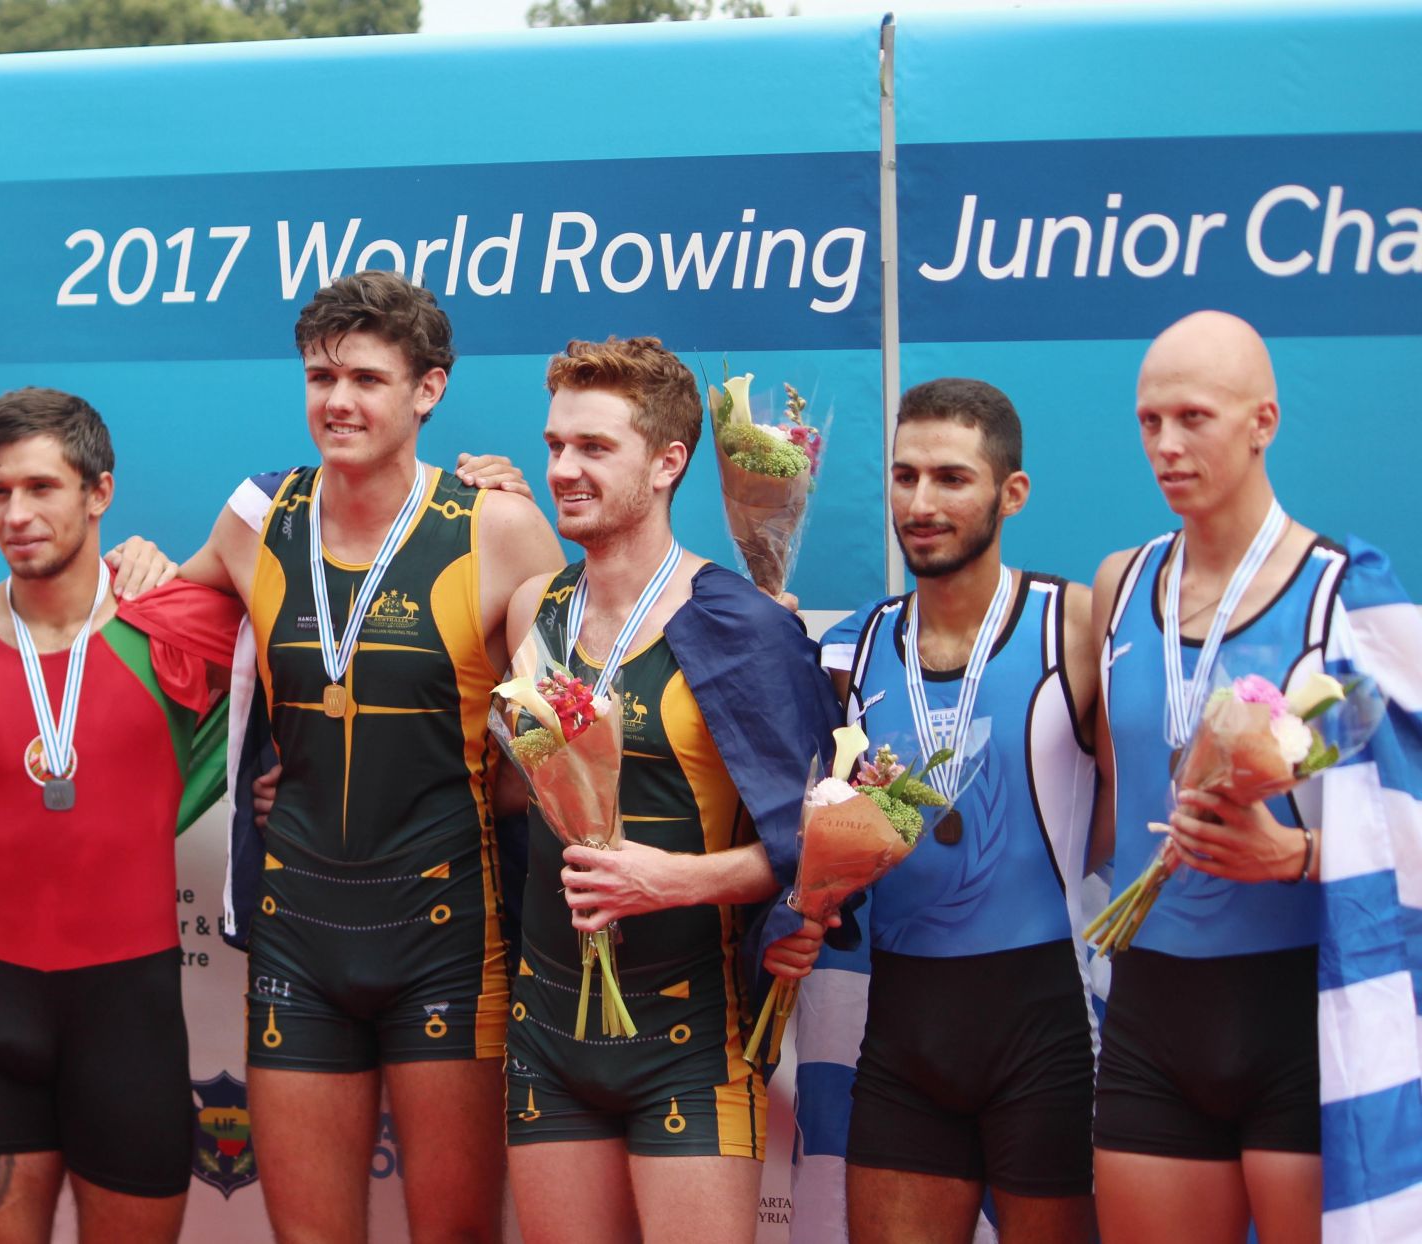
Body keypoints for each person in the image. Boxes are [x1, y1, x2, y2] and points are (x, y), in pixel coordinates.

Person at [174, 269, 564, 1243]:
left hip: (448, 933)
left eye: (366, 379)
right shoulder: (256, 517)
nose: (337, 401)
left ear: (428, 389)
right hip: (300, 932)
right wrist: (130, 567)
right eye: (321, 376)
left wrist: (495, 789)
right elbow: (156, 641)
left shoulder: (500, 526)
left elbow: (569, 735)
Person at [0, 388, 234, 1244]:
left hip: (130, 1026)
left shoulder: (175, 628)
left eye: (41, 488)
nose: (17, 514)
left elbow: (313, 663)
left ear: (99, 492)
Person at [1089, 310, 1422, 1243]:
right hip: (1151, 1014)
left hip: (1300, 1019)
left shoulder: (1345, 595)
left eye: (1193, 417)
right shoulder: (1118, 586)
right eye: (1149, 421)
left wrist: (1301, 855)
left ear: (1262, 422)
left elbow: (1409, 825)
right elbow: (1108, 797)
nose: (1166, 445)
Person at [498, 337, 837, 1244]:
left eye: (594, 448)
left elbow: (820, 847)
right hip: (548, 1033)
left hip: (690, 1041)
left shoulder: (744, 625)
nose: (563, 468)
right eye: (555, 444)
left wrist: (674, 880)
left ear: (667, 462)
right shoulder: (535, 609)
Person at [798, 378, 1100, 1244]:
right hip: (905, 1045)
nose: (921, 503)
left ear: (1013, 491)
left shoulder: (1075, 627)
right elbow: (817, 831)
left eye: (951, 478)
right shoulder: (853, 648)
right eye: (905, 476)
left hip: (1048, 1041)